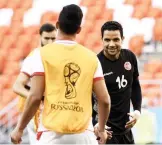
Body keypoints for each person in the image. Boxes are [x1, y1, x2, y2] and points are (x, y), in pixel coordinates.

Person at [10, 4, 111, 144]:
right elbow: (104, 100)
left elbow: (35, 97)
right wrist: (101, 129)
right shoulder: (92, 58)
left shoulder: (41, 54)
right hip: (83, 134)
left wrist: (19, 129)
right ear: (79, 29)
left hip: (51, 134)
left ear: (57, 25)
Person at [93, 21, 142, 144]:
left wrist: (137, 110)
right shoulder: (95, 63)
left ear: (122, 39)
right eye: (107, 40)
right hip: (105, 132)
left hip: (126, 130)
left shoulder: (130, 57)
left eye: (116, 39)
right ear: (102, 40)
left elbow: (135, 85)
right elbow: (88, 97)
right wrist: (96, 123)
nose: (111, 44)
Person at [12, 23, 56, 144]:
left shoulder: (55, 57)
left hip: (48, 110)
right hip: (34, 110)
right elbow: (17, 86)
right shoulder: (34, 56)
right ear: (40, 37)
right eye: (46, 38)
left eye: (53, 38)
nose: (50, 41)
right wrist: (36, 97)